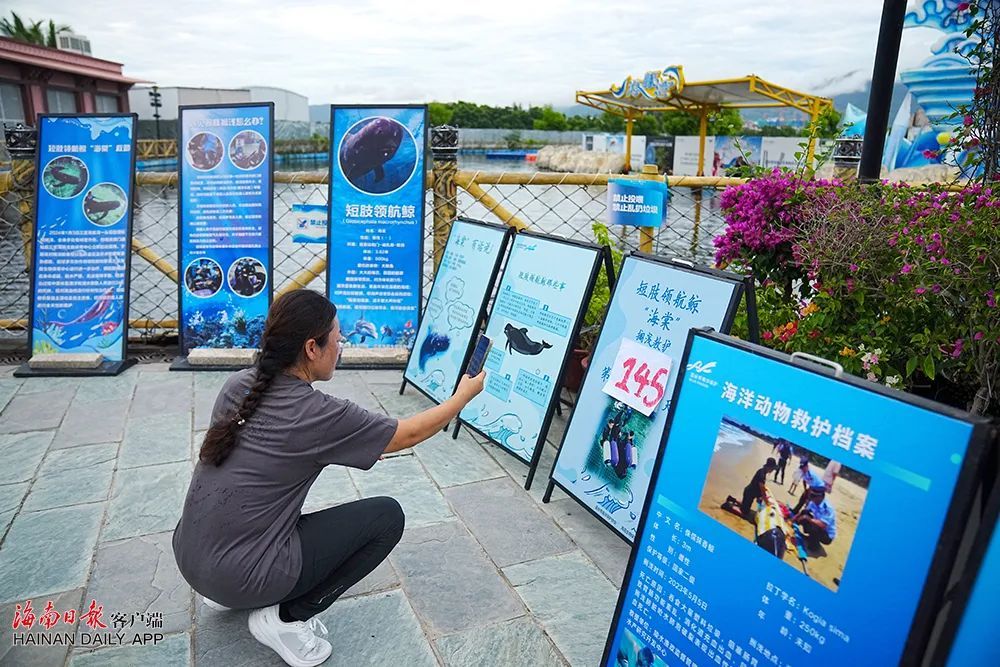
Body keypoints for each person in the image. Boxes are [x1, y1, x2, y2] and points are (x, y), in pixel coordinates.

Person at [172, 290, 485, 667]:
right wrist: (462, 396)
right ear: (311, 348)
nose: (342, 344)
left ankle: (234, 587)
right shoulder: (317, 414)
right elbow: (410, 434)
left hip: (190, 557)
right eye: (337, 338)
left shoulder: (238, 385)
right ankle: (285, 618)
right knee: (386, 518)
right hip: (240, 577)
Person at [793, 483, 837, 551]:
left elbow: (823, 525)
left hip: (827, 535)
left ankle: (814, 547)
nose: (812, 498)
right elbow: (804, 511)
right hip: (818, 526)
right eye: (811, 496)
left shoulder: (828, 509)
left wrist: (807, 518)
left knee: (815, 525)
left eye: (814, 496)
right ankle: (810, 537)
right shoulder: (813, 502)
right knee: (805, 513)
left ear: (821, 496)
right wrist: (794, 519)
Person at [740, 458, 778, 522]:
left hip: (751, 493)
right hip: (749, 494)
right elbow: (762, 491)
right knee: (745, 512)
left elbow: (760, 487)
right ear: (769, 467)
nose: (772, 470)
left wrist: (763, 493)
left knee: (746, 508)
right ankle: (731, 503)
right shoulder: (762, 474)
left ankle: (739, 503)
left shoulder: (762, 471)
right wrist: (767, 502)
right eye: (772, 469)